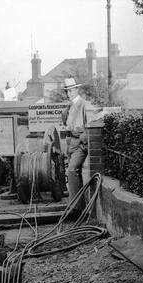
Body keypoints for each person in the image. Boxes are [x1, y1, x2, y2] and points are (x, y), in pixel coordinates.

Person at [61, 77, 89, 214]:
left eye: (71, 90)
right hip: (71, 144)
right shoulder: (69, 107)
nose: (69, 93)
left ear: (77, 90)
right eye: (67, 91)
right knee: (74, 173)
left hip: (80, 144)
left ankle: (76, 208)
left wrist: (83, 142)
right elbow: (67, 124)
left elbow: (90, 126)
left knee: (72, 170)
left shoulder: (84, 105)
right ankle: (78, 206)